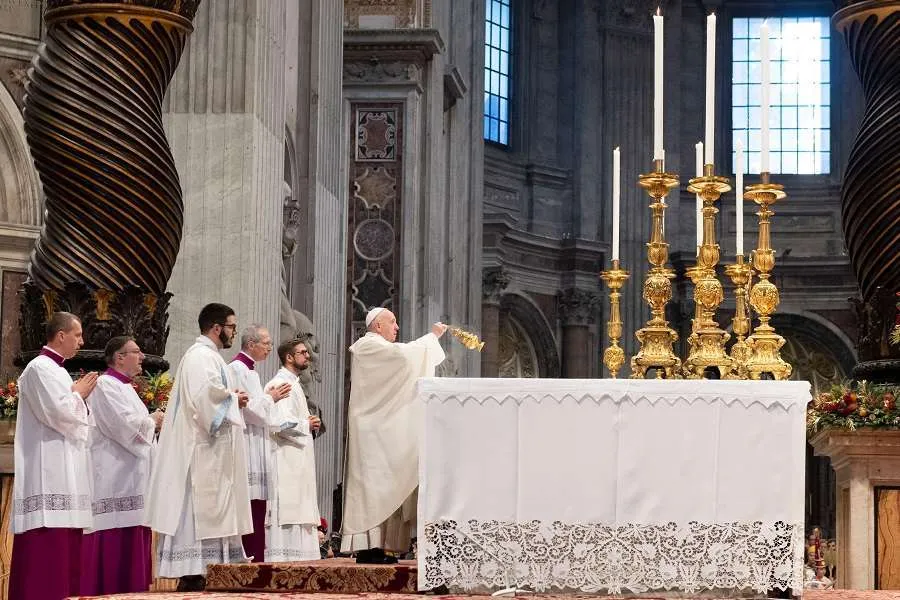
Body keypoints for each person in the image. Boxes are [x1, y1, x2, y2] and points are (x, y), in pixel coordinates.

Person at [146, 303, 252, 591]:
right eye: (231, 326)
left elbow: (212, 396)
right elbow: (204, 400)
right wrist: (232, 399)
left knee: (210, 513)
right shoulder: (201, 357)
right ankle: (194, 573)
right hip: (201, 454)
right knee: (199, 514)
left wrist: (231, 397)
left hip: (210, 451)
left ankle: (204, 573)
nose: (234, 332)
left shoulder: (208, 356)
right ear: (217, 328)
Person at [341, 308, 447, 563]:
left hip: (384, 428)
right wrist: (431, 337)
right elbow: (403, 357)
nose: (397, 327)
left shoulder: (378, 347)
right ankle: (369, 547)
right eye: (393, 322)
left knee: (387, 484)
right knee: (374, 488)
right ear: (378, 325)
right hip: (372, 431)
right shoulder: (367, 346)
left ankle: (385, 546)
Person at [10, 311, 98, 600]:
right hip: (47, 473)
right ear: (61, 335)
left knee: (67, 565)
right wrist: (79, 395)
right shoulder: (39, 368)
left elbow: (78, 419)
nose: (82, 342)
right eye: (78, 335)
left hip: (66, 473)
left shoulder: (58, 370)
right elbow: (58, 413)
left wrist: (76, 395)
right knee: (46, 563)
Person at [81, 336, 164, 595]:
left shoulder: (126, 387)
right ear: (119, 357)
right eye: (136, 352)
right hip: (115, 478)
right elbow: (123, 427)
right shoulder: (105, 385)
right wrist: (153, 420)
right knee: (116, 539)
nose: (142, 358)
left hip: (132, 477)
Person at [227, 324, 291, 562]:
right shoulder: (237, 369)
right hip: (247, 444)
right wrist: (270, 397)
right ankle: (248, 563)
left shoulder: (250, 371)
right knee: (250, 506)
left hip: (257, 441)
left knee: (257, 507)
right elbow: (250, 408)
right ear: (251, 344)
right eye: (266, 343)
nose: (269, 348)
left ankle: (256, 560)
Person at [262, 339, 321, 561]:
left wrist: (308, 422)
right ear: (289, 357)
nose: (308, 356)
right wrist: (307, 424)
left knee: (299, 507)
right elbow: (279, 423)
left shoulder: (294, 384)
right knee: (288, 510)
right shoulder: (280, 384)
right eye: (303, 352)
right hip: (285, 458)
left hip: (297, 459)